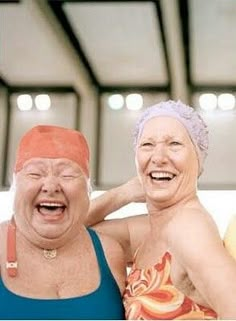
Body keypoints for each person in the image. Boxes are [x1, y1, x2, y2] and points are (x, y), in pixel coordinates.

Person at [87, 100, 236, 319]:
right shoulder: (151, 230)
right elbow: (64, 232)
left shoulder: (189, 229)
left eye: (174, 144)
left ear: (199, 159)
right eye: (147, 145)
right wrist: (124, 193)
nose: (158, 157)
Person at [0, 125, 126, 320]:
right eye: (35, 174)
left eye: (67, 175)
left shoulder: (110, 251)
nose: (50, 186)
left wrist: (128, 193)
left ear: (88, 190)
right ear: (15, 186)